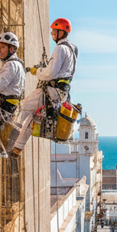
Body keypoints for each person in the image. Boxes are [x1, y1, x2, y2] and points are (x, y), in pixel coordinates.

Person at [11, 17, 78, 157]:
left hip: (50, 90)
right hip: (61, 93)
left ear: (61, 32)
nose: (52, 33)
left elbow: (50, 73)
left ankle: (10, 140)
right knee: (33, 117)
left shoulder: (60, 49)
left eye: (54, 31)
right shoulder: (73, 49)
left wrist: (38, 72)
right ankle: (17, 147)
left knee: (24, 107)